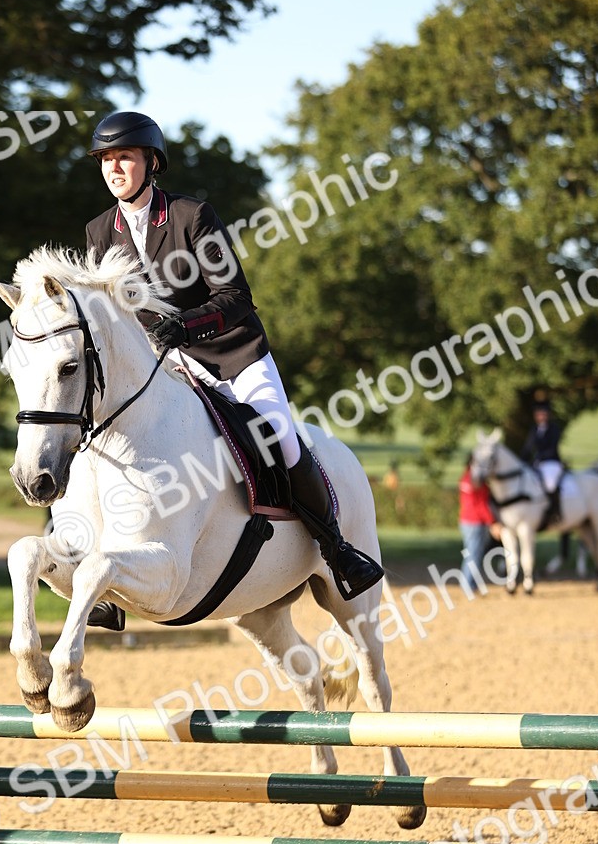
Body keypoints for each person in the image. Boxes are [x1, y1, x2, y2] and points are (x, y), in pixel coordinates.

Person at [83, 110, 384, 630]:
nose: (114, 168)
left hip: (232, 355)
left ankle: (335, 549)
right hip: (165, 369)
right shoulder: (96, 232)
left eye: (124, 157)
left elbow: (235, 297)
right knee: (97, 445)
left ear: (150, 163)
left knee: (279, 439)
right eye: (106, 160)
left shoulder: (191, 216)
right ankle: (106, 579)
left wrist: (186, 327)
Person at [521, 399, 564, 525]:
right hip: (538, 463)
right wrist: (521, 461)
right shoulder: (534, 429)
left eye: (543, 414)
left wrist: (539, 458)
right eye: (539, 414)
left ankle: (555, 511)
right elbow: (528, 448)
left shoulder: (554, 429)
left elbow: (552, 448)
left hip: (552, 462)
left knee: (550, 484)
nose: (541, 417)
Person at [458, 458, 496, 592]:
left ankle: (470, 583)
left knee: (472, 553)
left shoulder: (466, 478)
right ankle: (468, 585)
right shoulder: (475, 481)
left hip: (467, 520)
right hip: (474, 522)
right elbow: (480, 505)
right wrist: (493, 522)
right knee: (474, 554)